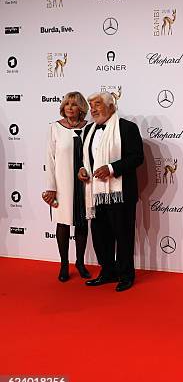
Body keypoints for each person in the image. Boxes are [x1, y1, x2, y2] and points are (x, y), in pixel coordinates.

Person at [78, 92, 144, 292]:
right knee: (100, 235)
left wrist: (112, 168)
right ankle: (107, 272)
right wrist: (81, 170)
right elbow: (85, 159)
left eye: (97, 104)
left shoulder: (127, 128)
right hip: (95, 192)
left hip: (120, 192)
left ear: (111, 106)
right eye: (91, 106)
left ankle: (126, 275)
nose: (93, 109)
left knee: (123, 235)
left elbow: (136, 157)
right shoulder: (88, 129)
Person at [43, 91, 91, 282]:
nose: (69, 107)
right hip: (62, 184)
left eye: (74, 104)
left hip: (84, 183)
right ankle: (64, 264)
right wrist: (51, 187)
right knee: (62, 224)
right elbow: (50, 159)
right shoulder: (55, 127)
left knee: (82, 223)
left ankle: (80, 262)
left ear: (81, 108)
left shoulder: (90, 128)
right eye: (67, 104)